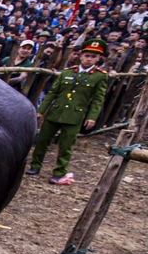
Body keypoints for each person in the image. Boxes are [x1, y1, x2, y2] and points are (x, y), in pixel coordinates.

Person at [28, 38, 109, 185]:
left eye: (93, 57)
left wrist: (92, 117)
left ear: (98, 59)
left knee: (66, 146)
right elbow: (52, 93)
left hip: (75, 115)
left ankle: (59, 172)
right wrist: (41, 110)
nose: (88, 59)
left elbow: (98, 99)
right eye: (86, 55)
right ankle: (35, 166)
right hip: (55, 112)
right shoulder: (67, 72)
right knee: (42, 141)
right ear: (81, 56)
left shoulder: (99, 76)